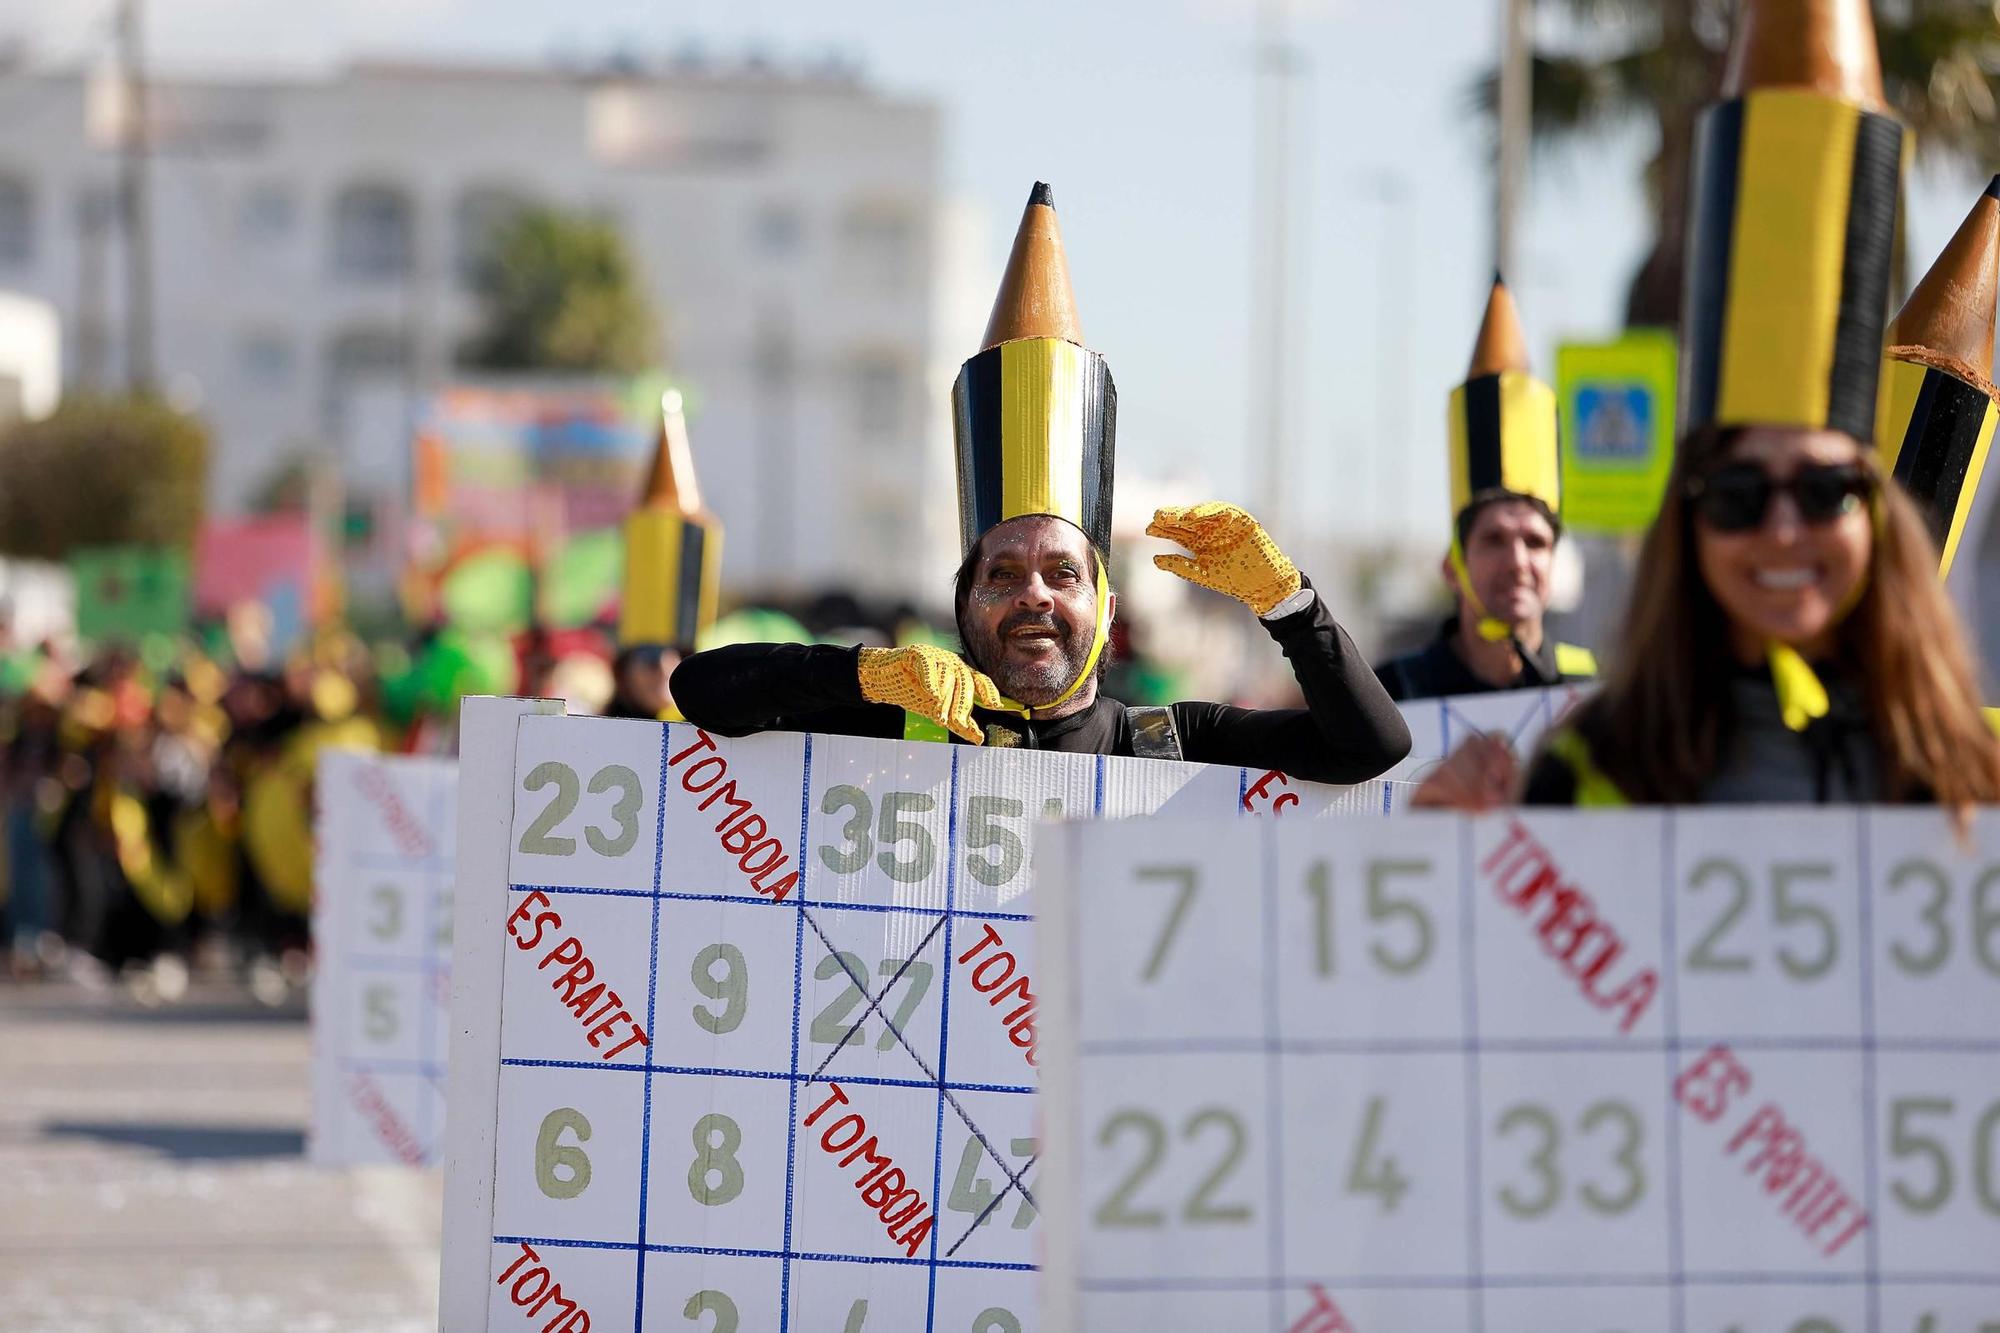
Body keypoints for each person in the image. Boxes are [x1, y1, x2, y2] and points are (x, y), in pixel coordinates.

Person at [1414, 0, 2000, 816]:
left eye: (1826, 490)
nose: (1783, 529)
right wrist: (1461, 867)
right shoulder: (1591, 776)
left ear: (1879, 515)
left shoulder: (1971, 777)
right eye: (1738, 496)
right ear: (1689, 522)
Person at [672, 182, 1410, 784]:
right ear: (963, 604)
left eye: (1064, 573)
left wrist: (1291, 606)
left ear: (1108, 607)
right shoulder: (898, 728)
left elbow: (1370, 746)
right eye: (1002, 573)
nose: (1035, 595)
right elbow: (700, 689)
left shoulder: (1169, 744)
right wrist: (870, 672)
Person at [1375, 276, 1596, 700]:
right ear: (1451, 568)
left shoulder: (1592, 693)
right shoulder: (1393, 694)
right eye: (1494, 540)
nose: (1517, 561)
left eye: (1535, 542)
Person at [610, 389, 720, 722]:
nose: (663, 667)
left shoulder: (712, 735)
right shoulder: (596, 730)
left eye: (681, 656)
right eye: (648, 655)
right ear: (624, 668)